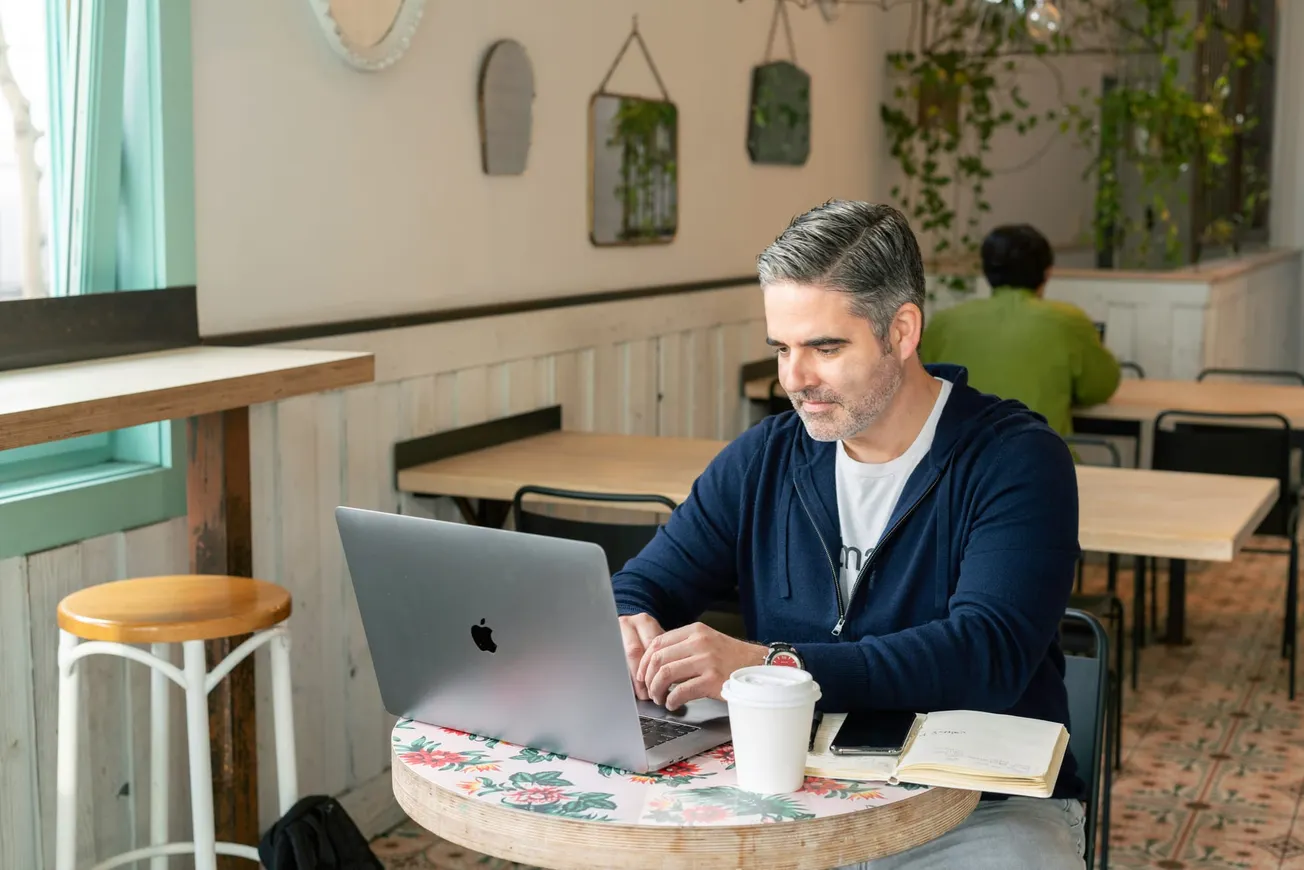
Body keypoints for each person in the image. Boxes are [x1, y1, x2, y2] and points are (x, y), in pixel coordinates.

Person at [610, 201, 1087, 868]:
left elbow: (986, 655)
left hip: (978, 809)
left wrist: (767, 666)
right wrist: (629, 618)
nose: (794, 379)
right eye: (782, 348)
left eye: (825, 348)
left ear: (903, 330)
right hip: (789, 801)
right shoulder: (765, 458)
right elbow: (644, 582)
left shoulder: (1015, 459)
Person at [919, 223, 1121, 438]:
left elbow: (920, 389)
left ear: (986, 270)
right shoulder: (1069, 321)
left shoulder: (945, 322)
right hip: (1042, 460)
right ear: (1047, 273)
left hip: (957, 463)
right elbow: (1099, 388)